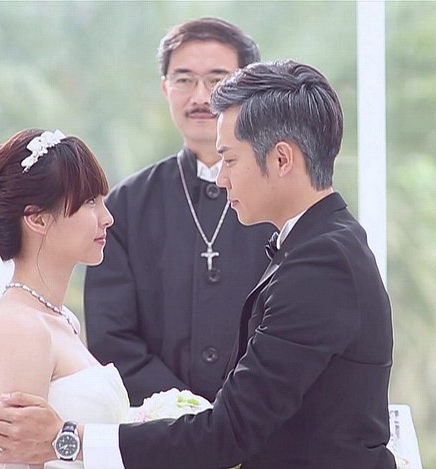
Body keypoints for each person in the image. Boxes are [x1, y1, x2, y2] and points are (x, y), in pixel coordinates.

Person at [0, 60, 396, 469]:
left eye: (230, 160)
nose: (220, 179)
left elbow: (229, 433)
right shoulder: (319, 245)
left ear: (281, 159)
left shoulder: (321, 264)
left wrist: (65, 441)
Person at [84, 17, 273, 405]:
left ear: (249, 88)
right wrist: (186, 413)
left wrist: (238, 415)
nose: (201, 96)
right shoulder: (125, 206)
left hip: (266, 424)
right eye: (184, 79)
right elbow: (112, 339)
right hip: (159, 428)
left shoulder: (282, 198)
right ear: (165, 88)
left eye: (218, 79)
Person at [0, 128, 129, 468]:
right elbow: (20, 459)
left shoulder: (61, 319)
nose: (107, 218)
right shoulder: (20, 325)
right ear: (37, 219)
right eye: (89, 202)